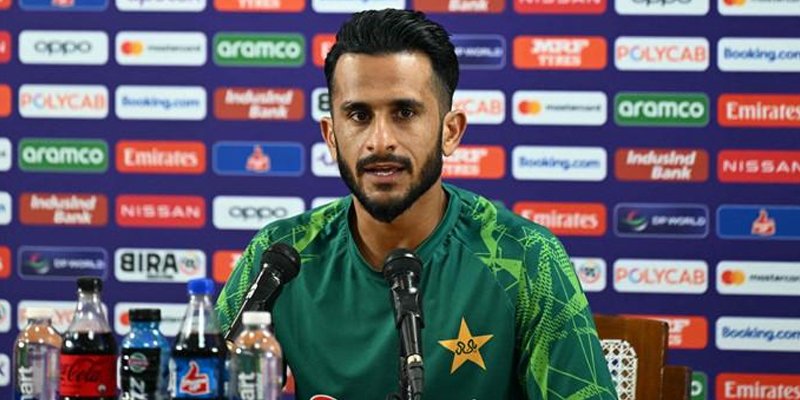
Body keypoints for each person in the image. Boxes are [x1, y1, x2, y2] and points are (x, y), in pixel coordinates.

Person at [216, 9, 617, 400]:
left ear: (450, 131)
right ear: (332, 136)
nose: (380, 141)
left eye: (405, 112)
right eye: (358, 115)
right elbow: (204, 380)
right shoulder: (280, 257)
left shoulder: (525, 257)